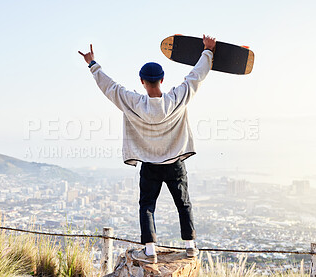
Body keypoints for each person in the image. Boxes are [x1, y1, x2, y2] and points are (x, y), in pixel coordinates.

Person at [79, 34, 216, 264]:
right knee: (183, 203)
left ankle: (150, 251)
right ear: (162, 80)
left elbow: (109, 87)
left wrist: (93, 64)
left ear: (141, 81)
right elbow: (196, 77)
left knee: (147, 207)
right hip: (175, 163)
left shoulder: (133, 103)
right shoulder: (176, 99)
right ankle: (191, 247)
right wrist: (208, 51)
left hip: (150, 165)